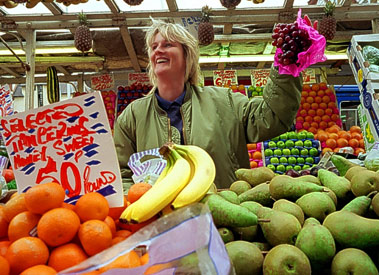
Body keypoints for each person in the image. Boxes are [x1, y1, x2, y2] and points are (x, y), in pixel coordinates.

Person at [113, 19, 302, 190]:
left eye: (168, 44)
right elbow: (121, 175)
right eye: (154, 47)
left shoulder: (225, 102)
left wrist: (286, 64)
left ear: (187, 55)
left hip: (224, 217)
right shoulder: (133, 116)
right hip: (159, 222)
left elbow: (271, 117)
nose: (158, 50)